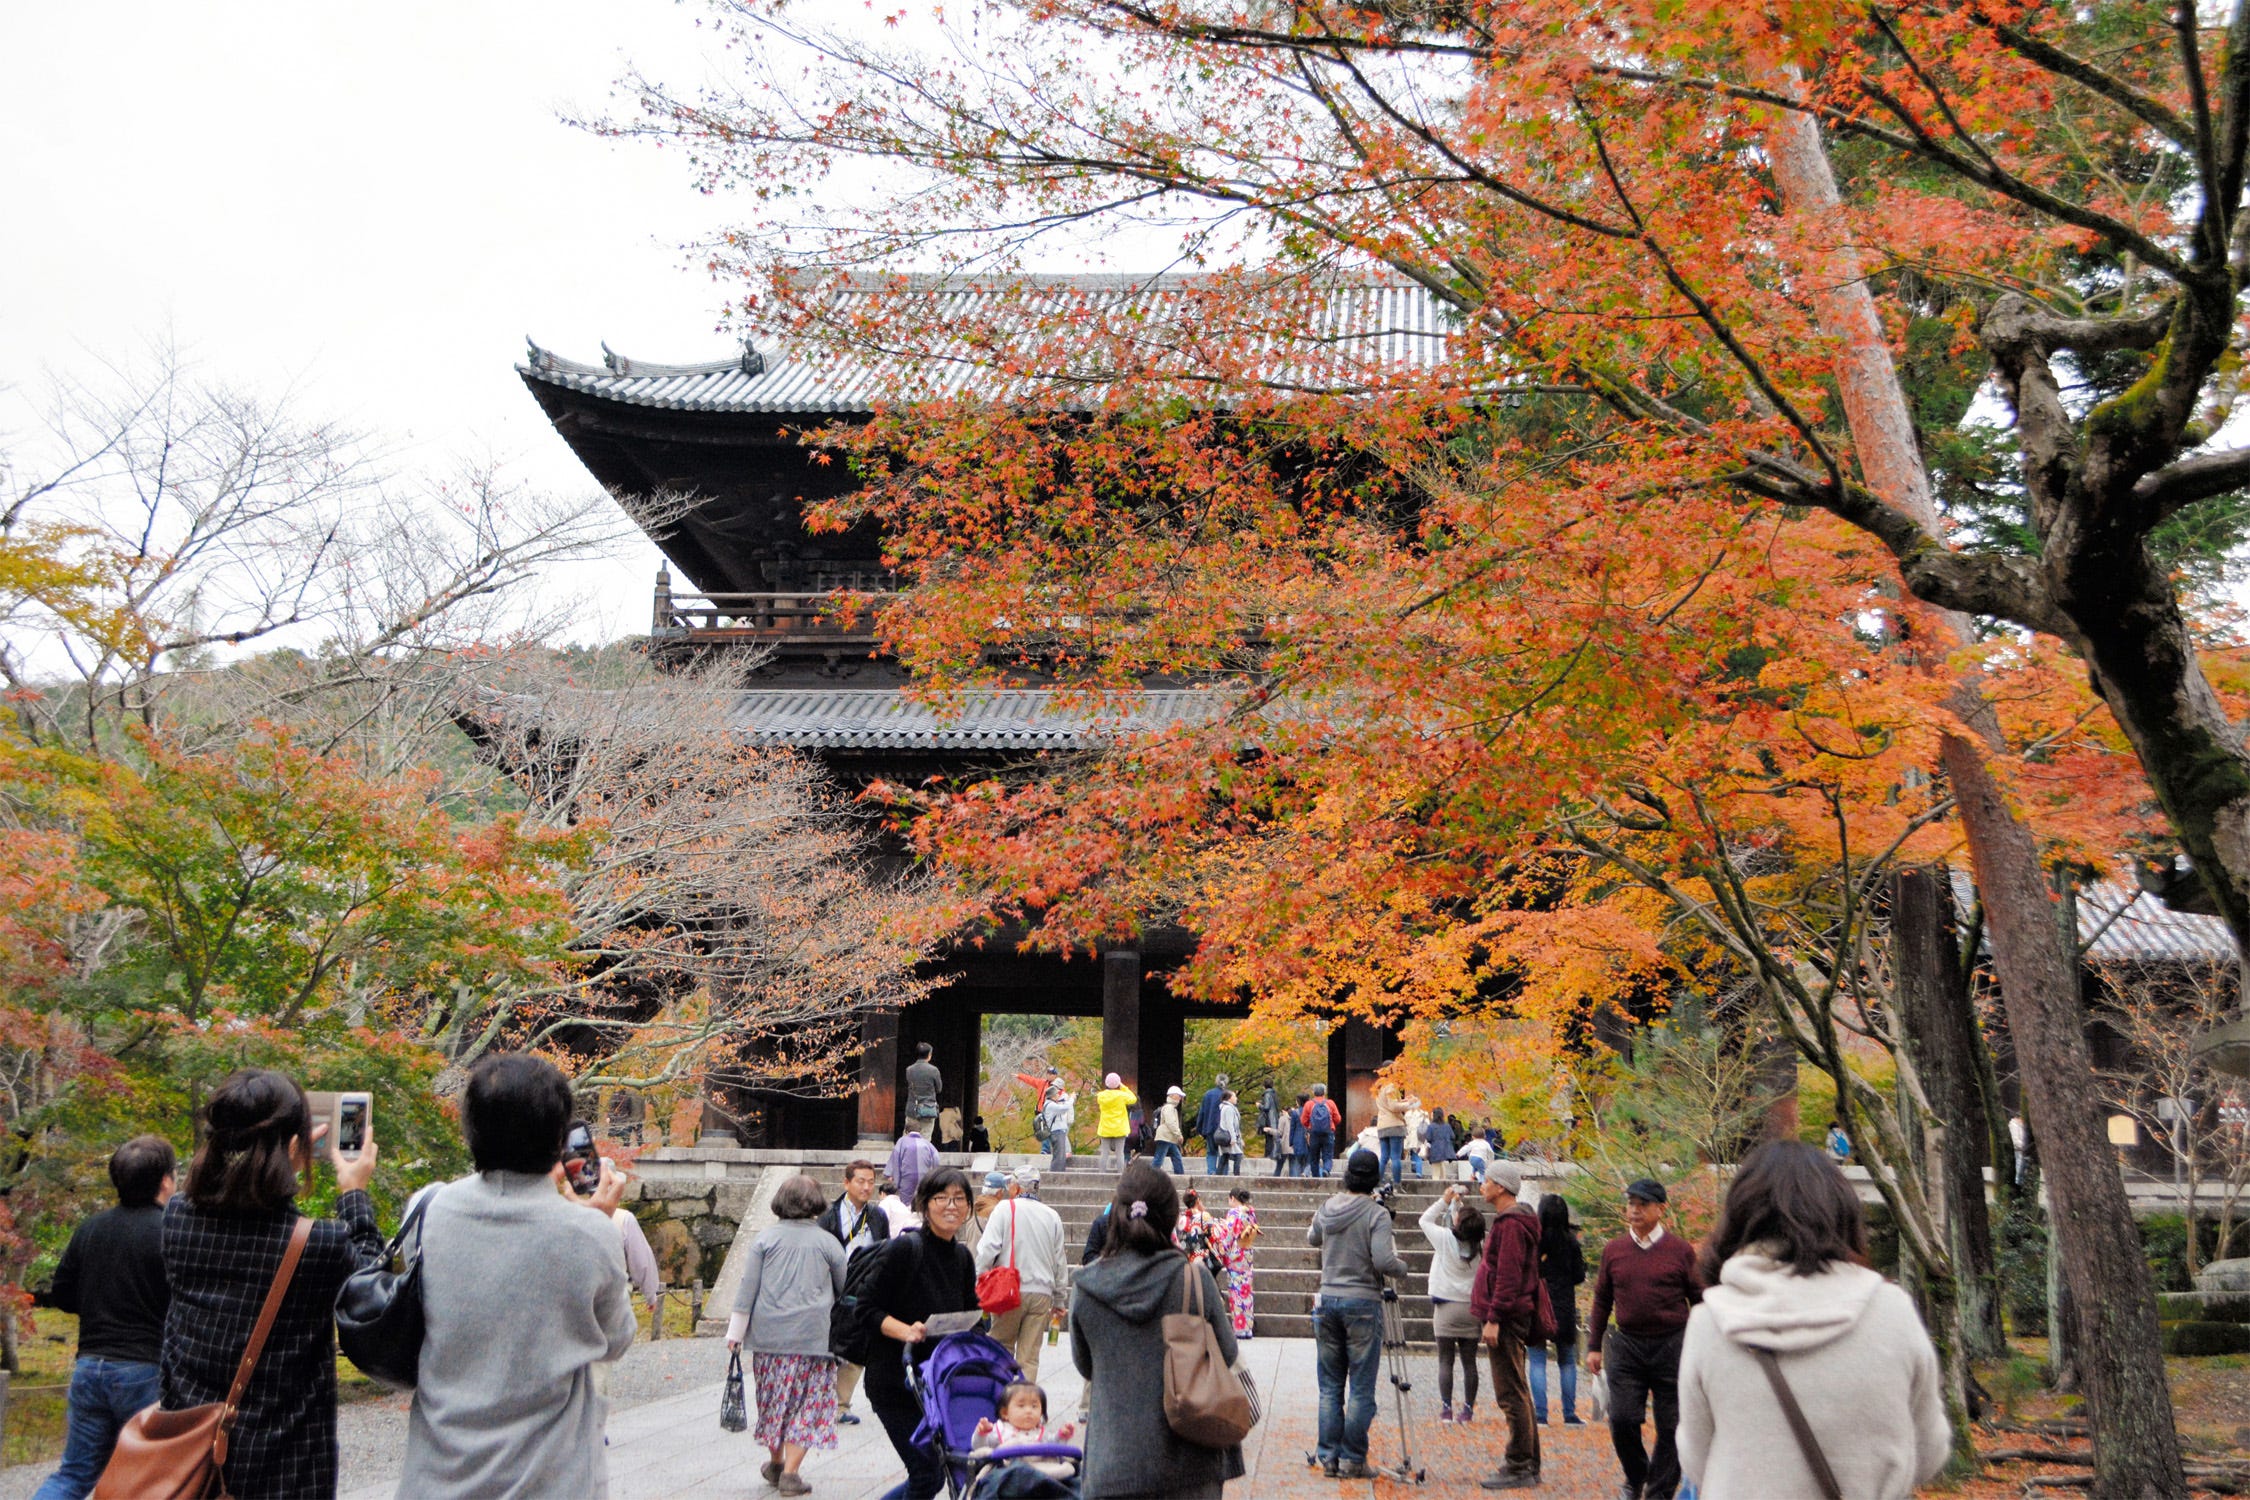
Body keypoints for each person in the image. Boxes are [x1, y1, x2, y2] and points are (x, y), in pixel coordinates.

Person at [397, 1053, 637, 1500]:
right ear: (558, 1137)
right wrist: (598, 1224)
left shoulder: (426, 1209)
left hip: (437, 1474)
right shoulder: (589, 1233)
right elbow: (616, 1338)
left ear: (469, 1127)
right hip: (552, 1478)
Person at [156, 1070, 384, 1500]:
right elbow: (373, 1294)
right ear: (297, 1147)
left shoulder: (176, 1219)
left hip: (191, 1463)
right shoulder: (318, 1244)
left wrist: (289, 1148)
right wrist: (354, 1191)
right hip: (285, 1469)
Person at [1678, 1143, 1949, 1500]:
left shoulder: (1709, 1322)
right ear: (1842, 1214)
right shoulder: (1892, 1311)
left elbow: (1697, 1461)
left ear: (1739, 1218)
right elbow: (1930, 1454)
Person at [1071, 1162, 1245, 1498]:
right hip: (1191, 1461)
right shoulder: (1194, 1279)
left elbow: (1085, 1366)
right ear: (1171, 1217)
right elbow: (1228, 1355)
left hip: (1113, 1463)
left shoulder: (1086, 1286)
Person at [35, 1135, 175, 1500]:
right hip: (144, 1369)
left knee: (74, 1475)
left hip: (89, 1367)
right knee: (150, 1479)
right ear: (165, 1180)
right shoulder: (170, 1231)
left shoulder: (91, 1229)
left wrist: (100, 1304)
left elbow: (62, 1293)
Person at [727, 1173, 849, 1498]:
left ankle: (776, 1462)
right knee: (808, 1404)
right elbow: (845, 1287)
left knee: (773, 1402)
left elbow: (747, 1288)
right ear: (817, 1204)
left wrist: (735, 1332)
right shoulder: (828, 1243)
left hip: (769, 1338)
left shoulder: (764, 1240)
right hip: (814, 1338)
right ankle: (792, 1474)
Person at [864, 1166, 979, 1500]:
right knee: (927, 1473)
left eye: (959, 1198)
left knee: (933, 1474)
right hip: (894, 1382)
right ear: (925, 1204)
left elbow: (969, 1314)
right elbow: (867, 1309)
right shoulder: (904, 1250)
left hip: (936, 1385)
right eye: (941, 1197)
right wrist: (905, 1331)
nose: (951, 1205)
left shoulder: (962, 1258)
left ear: (969, 1206)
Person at [1586, 1178, 1702, 1500]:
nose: (1634, 1211)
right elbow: (1601, 1299)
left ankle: (1660, 1490)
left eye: (1642, 1205)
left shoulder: (1680, 1251)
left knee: (1671, 1423)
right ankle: (1636, 1476)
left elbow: (1700, 1299)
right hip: (1627, 1345)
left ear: (1660, 1209)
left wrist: (1702, 1345)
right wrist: (1594, 1346)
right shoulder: (1615, 1250)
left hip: (1672, 1344)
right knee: (1623, 1418)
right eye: (1631, 1204)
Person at [1307, 1148, 1411, 1479]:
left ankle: (1329, 1457)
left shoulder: (1328, 1207)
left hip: (1327, 1299)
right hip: (1362, 1302)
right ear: (1375, 1178)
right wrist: (1402, 1267)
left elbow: (1313, 1238)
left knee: (1330, 1385)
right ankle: (1353, 1458)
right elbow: (1383, 1261)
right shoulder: (1376, 1214)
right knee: (1361, 1387)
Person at [1470, 1160, 1543, 1491]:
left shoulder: (1511, 1224)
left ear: (1501, 1186)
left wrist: (1494, 1318)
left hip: (1508, 1317)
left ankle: (1519, 1463)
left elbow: (1508, 1275)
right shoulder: (1512, 1221)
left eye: (1486, 1181)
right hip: (1514, 1313)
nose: (1482, 1186)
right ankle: (1529, 1461)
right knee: (1518, 1387)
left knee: (1510, 1391)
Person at [975, 1168, 1067, 1382]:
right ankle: (1024, 1403)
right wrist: (1060, 1298)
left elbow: (987, 1250)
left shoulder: (1005, 1209)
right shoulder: (1052, 1216)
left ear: (1016, 1187)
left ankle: (1000, 1398)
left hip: (1010, 1290)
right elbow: (1059, 1261)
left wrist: (979, 1281)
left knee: (1001, 1346)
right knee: (1029, 1357)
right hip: (1042, 1293)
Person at [817, 1159, 890, 1426]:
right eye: (860, 1181)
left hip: (864, 1286)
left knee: (857, 1345)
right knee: (829, 1345)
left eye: (871, 1181)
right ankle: (820, 1400)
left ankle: (841, 1404)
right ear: (846, 1183)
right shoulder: (829, 1216)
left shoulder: (877, 1216)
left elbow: (885, 1248)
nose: (866, 1187)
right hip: (834, 1286)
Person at [1420, 1185, 1485, 1427]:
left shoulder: (1445, 1239)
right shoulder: (1480, 1245)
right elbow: (1464, 1225)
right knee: (1470, 1362)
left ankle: (1446, 1409)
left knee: (1445, 1360)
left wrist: (1443, 1201)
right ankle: (1468, 1410)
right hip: (1470, 1309)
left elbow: (1425, 1220)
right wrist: (1456, 1205)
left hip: (1446, 1306)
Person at [1528, 1194, 1586, 1427]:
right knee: (1567, 1360)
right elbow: (1579, 1276)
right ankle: (1569, 1414)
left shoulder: (1535, 1241)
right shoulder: (1571, 1241)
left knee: (1537, 1360)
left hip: (1538, 1304)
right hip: (1564, 1305)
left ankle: (1540, 1415)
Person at [969, 1381, 1078, 1482]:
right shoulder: (1001, 1430)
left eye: (1034, 1406)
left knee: (1067, 1467)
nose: (1029, 1411)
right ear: (1005, 1413)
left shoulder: (1040, 1433)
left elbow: (1053, 1449)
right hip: (1010, 1474)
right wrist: (982, 1434)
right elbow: (980, 1449)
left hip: (1041, 1473)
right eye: (1021, 1406)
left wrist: (1061, 1436)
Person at [1212, 1187, 1258, 1339]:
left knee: (1236, 1291)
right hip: (1247, 1254)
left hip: (1236, 1256)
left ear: (1232, 1198)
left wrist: (1221, 1249)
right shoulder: (1250, 1212)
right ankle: (1248, 1327)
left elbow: (1229, 1234)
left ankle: (1239, 1327)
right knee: (1246, 1291)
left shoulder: (1234, 1213)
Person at [1094, 1073, 1136, 1172]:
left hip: (1105, 1127)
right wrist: (1123, 1087)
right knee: (1119, 1153)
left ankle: (1101, 1173)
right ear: (1118, 1084)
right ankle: (1120, 1173)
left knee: (1104, 1153)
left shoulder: (1101, 1096)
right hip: (1120, 1127)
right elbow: (1133, 1099)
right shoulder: (1122, 1095)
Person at [887, 1126, 939, 1203]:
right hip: (924, 1176)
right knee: (921, 1198)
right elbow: (936, 1158)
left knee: (906, 1202)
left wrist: (892, 1176)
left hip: (907, 1176)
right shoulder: (927, 1143)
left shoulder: (902, 1141)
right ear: (920, 1131)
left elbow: (895, 1159)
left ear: (906, 1132)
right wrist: (932, 1174)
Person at [1374, 1081, 1411, 1185]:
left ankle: (1378, 1181)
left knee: (1384, 1157)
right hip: (1394, 1125)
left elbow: (1388, 1103)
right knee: (1395, 1157)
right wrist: (1409, 1104)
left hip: (1382, 1124)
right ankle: (1397, 1184)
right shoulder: (1390, 1086)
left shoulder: (1379, 1087)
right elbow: (1393, 1106)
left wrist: (1403, 1101)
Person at [1300, 1085, 1340, 1178]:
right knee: (1328, 1155)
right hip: (1328, 1133)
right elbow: (1338, 1119)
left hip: (1314, 1134)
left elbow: (1303, 1120)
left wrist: (1310, 1126)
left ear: (1314, 1093)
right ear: (1324, 1092)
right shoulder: (1330, 1103)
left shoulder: (1309, 1104)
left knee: (1314, 1157)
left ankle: (1316, 1177)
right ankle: (1326, 1170)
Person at [1195, 1073, 1230, 1176]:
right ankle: (1223, 1173)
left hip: (1210, 1128)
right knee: (1224, 1153)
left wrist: (1199, 1128)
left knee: (1211, 1152)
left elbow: (1202, 1112)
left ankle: (1211, 1172)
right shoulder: (1228, 1095)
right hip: (1225, 1130)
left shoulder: (1208, 1094)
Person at [905, 1042, 943, 1131]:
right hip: (927, 1110)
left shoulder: (909, 1070)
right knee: (925, 1138)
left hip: (912, 1110)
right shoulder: (934, 1070)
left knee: (910, 1139)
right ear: (929, 1055)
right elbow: (939, 1089)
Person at [1174, 1187, 1216, 1264]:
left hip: (1186, 1256)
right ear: (1198, 1201)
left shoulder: (1181, 1218)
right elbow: (1213, 1235)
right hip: (1201, 1256)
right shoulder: (1204, 1215)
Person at [1151, 1086, 1187, 1173]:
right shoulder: (1169, 1108)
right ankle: (1152, 1175)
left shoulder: (1170, 1108)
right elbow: (1170, 1123)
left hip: (1168, 1137)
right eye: (1179, 1095)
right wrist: (1178, 1134)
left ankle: (1180, 1174)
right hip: (1166, 1136)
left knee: (1175, 1157)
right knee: (1159, 1158)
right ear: (1172, 1096)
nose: (1180, 1098)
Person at [1040, 1084, 1076, 1173]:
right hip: (1056, 1132)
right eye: (1056, 1094)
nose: (1058, 1095)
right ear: (1052, 1096)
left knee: (1059, 1155)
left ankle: (1057, 1172)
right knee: (1059, 1156)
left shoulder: (1050, 1104)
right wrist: (1071, 1099)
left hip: (1057, 1131)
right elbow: (1065, 1108)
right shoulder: (1051, 1105)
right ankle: (1056, 1174)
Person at [1217, 1090, 1246, 1175]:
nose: (1236, 1098)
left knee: (1225, 1156)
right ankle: (1236, 1176)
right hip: (1229, 1136)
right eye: (1234, 1096)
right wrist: (1233, 1138)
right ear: (1229, 1098)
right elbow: (1230, 1124)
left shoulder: (1225, 1107)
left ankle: (1218, 1176)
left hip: (1227, 1136)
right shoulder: (1229, 1109)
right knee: (1238, 1155)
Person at [1426, 1111, 1457, 1178]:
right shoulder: (1447, 1126)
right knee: (1442, 1166)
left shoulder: (1431, 1126)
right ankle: (1444, 1182)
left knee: (1435, 1171)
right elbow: (1453, 1136)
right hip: (1445, 1150)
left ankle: (1436, 1185)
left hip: (1435, 1150)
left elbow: (1428, 1138)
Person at [1259, 1083, 1282, 1161]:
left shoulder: (1267, 1095)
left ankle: (1269, 1154)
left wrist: (1259, 1105)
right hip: (1275, 1118)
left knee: (1269, 1137)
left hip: (1269, 1118)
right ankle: (1274, 1153)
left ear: (1264, 1086)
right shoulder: (1274, 1094)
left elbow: (1266, 1107)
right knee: (1274, 1137)